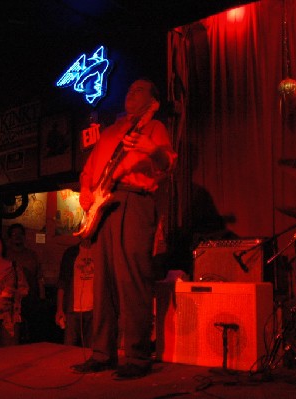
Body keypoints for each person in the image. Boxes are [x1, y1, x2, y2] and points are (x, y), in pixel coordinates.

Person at [71, 78, 177, 379]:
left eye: (139, 89)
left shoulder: (154, 127)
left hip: (134, 200)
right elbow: (88, 171)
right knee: (102, 282)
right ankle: (102, 353)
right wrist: (85, 191)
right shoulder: (110, 132)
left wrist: (151, 148)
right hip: (103, 206)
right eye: (128, 89)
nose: (131, 92)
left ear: (153, 101)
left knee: (133, 279)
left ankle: (138, 357)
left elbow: (167, 164)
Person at [5, 223, 42, 343]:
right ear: (10, 237)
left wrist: (41, 296)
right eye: (14, 234)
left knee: (32, 332)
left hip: (31, 299)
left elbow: (39, 277)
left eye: (20, 234)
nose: (17, 236)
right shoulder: (6, 256)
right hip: (12, 301)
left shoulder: (32, 255)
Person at [55, 239, 93, 347]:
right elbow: (63, 281)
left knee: (91, 348)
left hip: (93, 309)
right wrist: (60, 309)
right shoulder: (71, 253)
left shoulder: (98, 252)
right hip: (73, 309)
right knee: (69, 348)